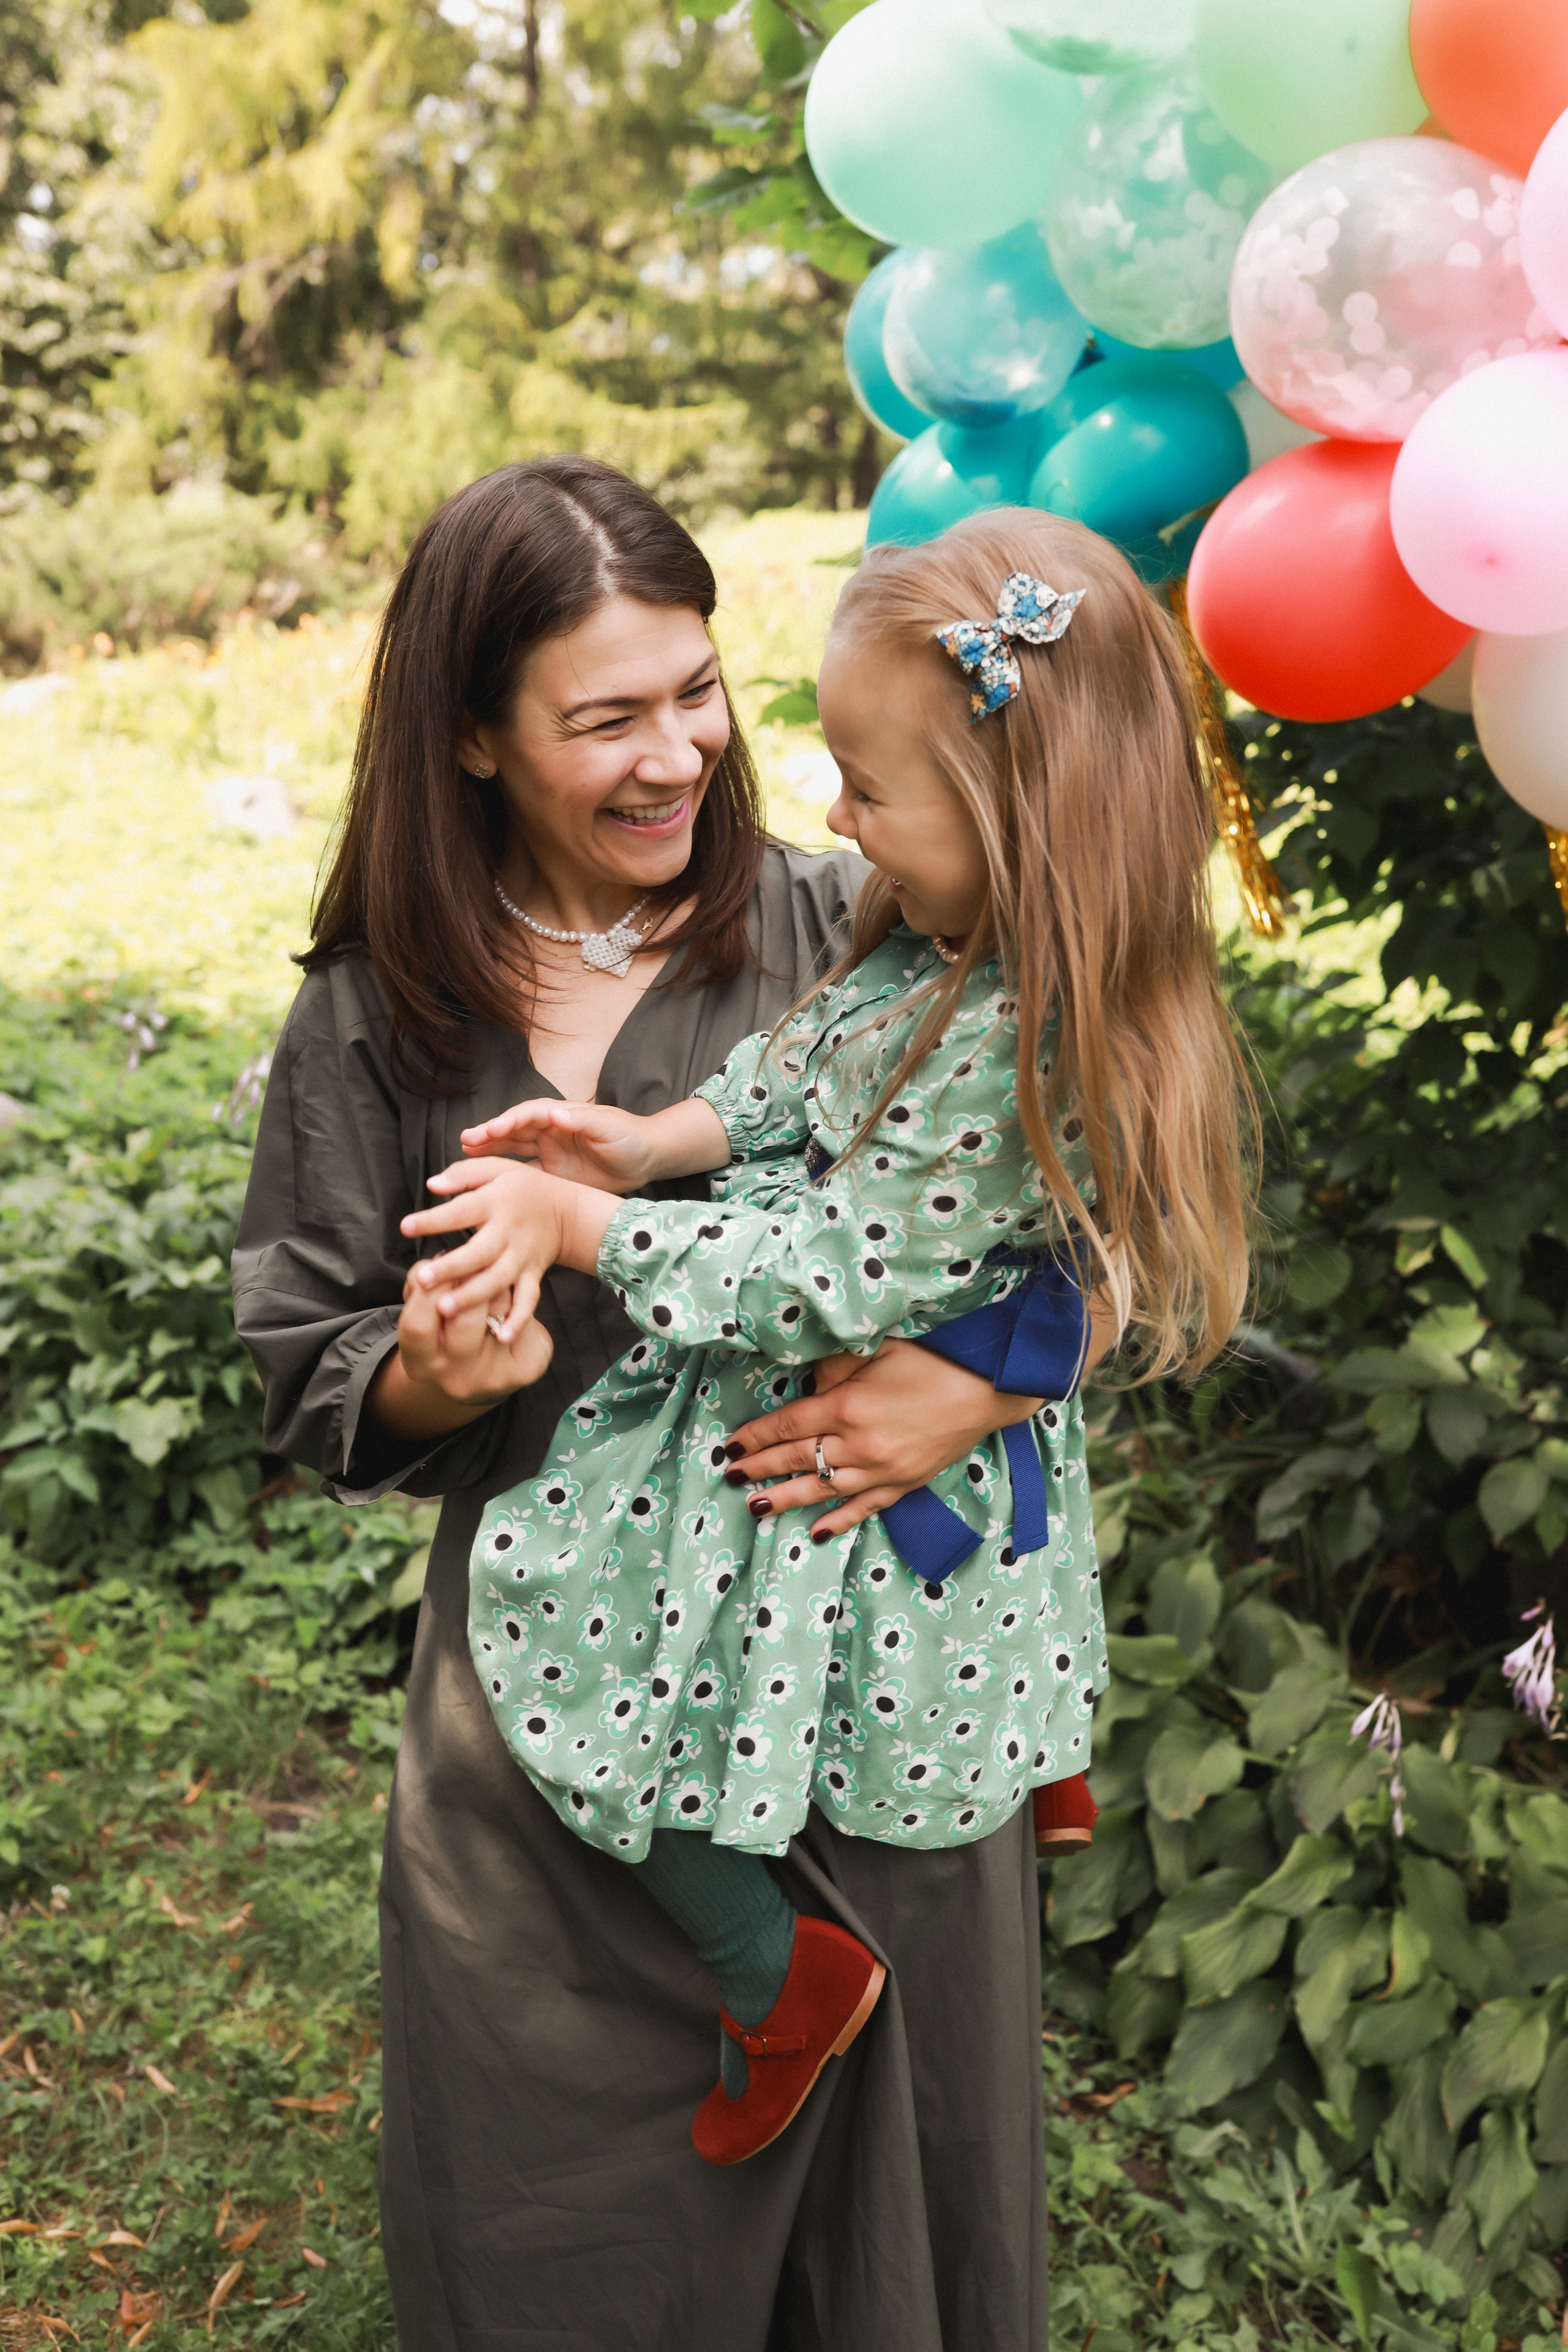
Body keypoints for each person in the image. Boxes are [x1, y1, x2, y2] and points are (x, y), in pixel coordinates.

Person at [232, 458, 1112, 2352]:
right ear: (469, 736)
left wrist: (977, 1379)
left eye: (697, 692)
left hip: (871, 1663)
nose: (677, 756)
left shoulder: (849, 926)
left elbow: (1116, 1195)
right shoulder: (379, 1010)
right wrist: (424, 1374)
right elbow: (305, 1345)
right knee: (561, 2223)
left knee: (898, 2220)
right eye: (604, 717)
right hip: (564, 1719)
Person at [397, 514, 1253, 2171]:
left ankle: (775, 1969)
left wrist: (591, 1231)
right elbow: (798, 1071)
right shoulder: (947, 945)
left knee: (560, 1619)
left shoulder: (1021, 1034)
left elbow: (826, 1273)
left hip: (844, 1419)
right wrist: (649, 1145)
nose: (836, 821)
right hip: (911, 1443)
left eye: (870, 789)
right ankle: (1035, 1736)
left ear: (1016, 818)